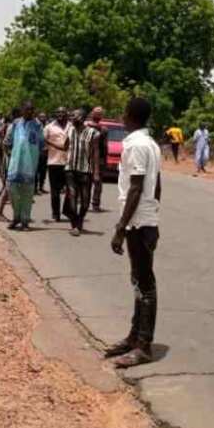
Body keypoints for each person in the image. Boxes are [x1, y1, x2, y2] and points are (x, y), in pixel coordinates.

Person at [107, 97, 162, 369]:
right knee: (138, 282)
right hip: (144, 220)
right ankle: (134, 336)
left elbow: (137, 188)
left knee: (145, 284)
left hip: (139, 224)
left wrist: (121, 227)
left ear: (130, 115)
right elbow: (157, 185)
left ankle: (144, 345)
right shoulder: (149, 143)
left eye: (124, 112)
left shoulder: (138, 145)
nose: (122, 116)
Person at [4, 102, 43, 231]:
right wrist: (10, 153)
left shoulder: (38, 125)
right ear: (22, 110)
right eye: (27, 109)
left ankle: (25, 221)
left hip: (30, 165)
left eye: (32, 109)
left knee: (27, 194)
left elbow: (42, 143)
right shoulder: (15, 123)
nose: (30, 112)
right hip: (15, 164)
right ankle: (16, 217)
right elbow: (7, 141)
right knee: (12, 191)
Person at [65, 109, 99, 236]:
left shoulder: (93, 133)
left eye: (74, 115)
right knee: (72, 195)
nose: (71, 117)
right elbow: (66, 145)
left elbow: (95, 153)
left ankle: (80, 220)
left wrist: (96, 172)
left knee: (85, 201)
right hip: (70, 168)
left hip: (85, 169)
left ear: (82, 117)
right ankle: (75, 225)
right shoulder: (70, 130)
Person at [42, 108, 72, 223]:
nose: (60, 115)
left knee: (71, 189)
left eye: (63, 113)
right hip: (54, 162)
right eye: (58, 112)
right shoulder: (49, 127)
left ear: (66, 114)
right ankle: (56, 213)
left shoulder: (72, 126)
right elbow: (43, 141)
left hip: (69, 162)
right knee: (55, 191)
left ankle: (67, 210)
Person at [87, 107, 109, 212]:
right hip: (87, 157)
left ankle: (95, 204)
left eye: (100, 114)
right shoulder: (86, 126)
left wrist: (105, 160)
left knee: (97, 183)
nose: (98, 115)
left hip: (99, 158)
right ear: (92, 113)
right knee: (87, 181)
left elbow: (105, 147)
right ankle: (87, 203)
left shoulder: (103, 129)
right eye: (96, 113)